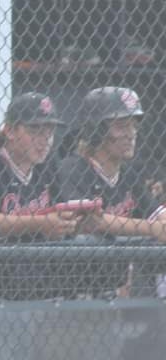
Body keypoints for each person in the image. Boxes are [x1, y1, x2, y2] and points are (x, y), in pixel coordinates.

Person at [0, 92, 84, 300]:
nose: (44, 140)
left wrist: (72, 220)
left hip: (43, 288)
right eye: (35, 130)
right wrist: (40, 223)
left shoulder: (48, 163)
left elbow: (61, 209)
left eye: (50, 131)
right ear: (10, 130)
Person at [56, 86, 166, 299]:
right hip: (73, 295)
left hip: (114, 293)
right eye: (122, 126)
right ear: (96, 131)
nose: (131, 134)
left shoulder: (128, 174)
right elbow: (90, 221)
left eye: (134, 125)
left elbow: (157, 213)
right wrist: (153, 229)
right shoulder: (73, 169)